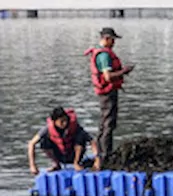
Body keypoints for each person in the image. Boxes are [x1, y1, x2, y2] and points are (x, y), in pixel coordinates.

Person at [85, 27, 133, 170]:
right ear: (106, 38)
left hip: (105, 92)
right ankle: (105, 155)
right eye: (112, 40)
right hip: (107, 93)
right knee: (108, 123)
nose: (114, 43)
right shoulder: (104, 56)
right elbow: (107, 77)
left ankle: (101, 153)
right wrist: (124, 71)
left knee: (104, 122)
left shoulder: (101, 53)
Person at [28, 107, 93, 175]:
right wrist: (32, 166)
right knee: (44, 141)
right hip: (61, 155)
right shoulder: (47, 129)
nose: (64, 123)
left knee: (80, 136)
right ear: (54, 121)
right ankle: (56, 164)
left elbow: (91, 140)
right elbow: (31, 143)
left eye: (65, 120)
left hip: (73, 155)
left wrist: (97, 160)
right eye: (61, 121)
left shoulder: (74, 126)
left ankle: (76, 163)